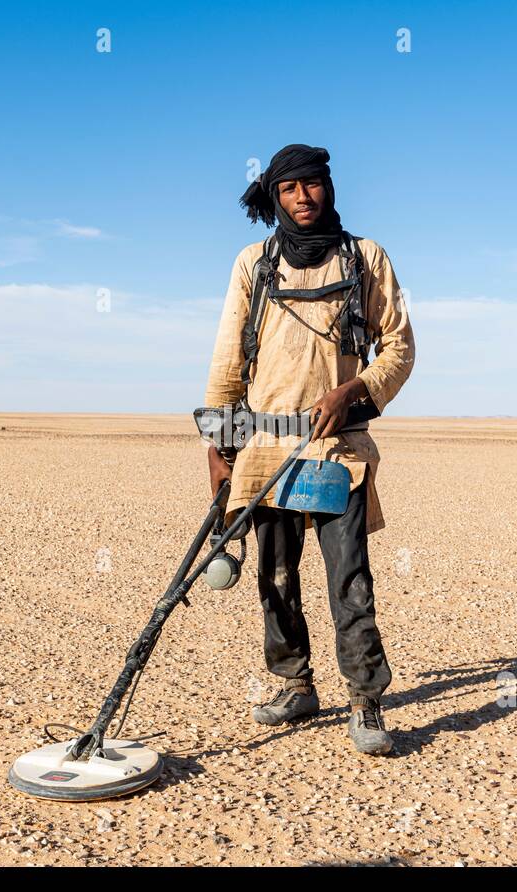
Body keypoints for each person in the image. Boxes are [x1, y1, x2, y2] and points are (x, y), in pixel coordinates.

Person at [202, 144, 416, 755]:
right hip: (264, 446)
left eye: (312, 185)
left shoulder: (366, 257)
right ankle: (296, 684)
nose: (302, 198)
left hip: (335, 451)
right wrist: (219, 446)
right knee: (273, 576)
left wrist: (353, 390)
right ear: (274, 196)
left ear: (329, 188)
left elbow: (399, 350)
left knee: (349, 577)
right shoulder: (254, 263)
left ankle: (367, 697)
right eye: (289, 189)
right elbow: (226, 362)